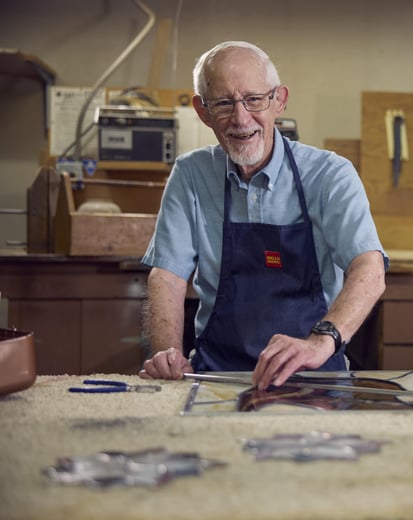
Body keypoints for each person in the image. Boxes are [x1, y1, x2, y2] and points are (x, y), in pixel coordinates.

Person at [138, 41, 387, 390]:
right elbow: (167, 276)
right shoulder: (190, 175)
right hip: (216, 378)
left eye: (254, 99)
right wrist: (167, 352)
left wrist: (320, 342)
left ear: (279, 101)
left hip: (315, 378)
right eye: (224, 103)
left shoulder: (331, 175)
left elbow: (370, 270)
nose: (241, 119)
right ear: (202, 111)